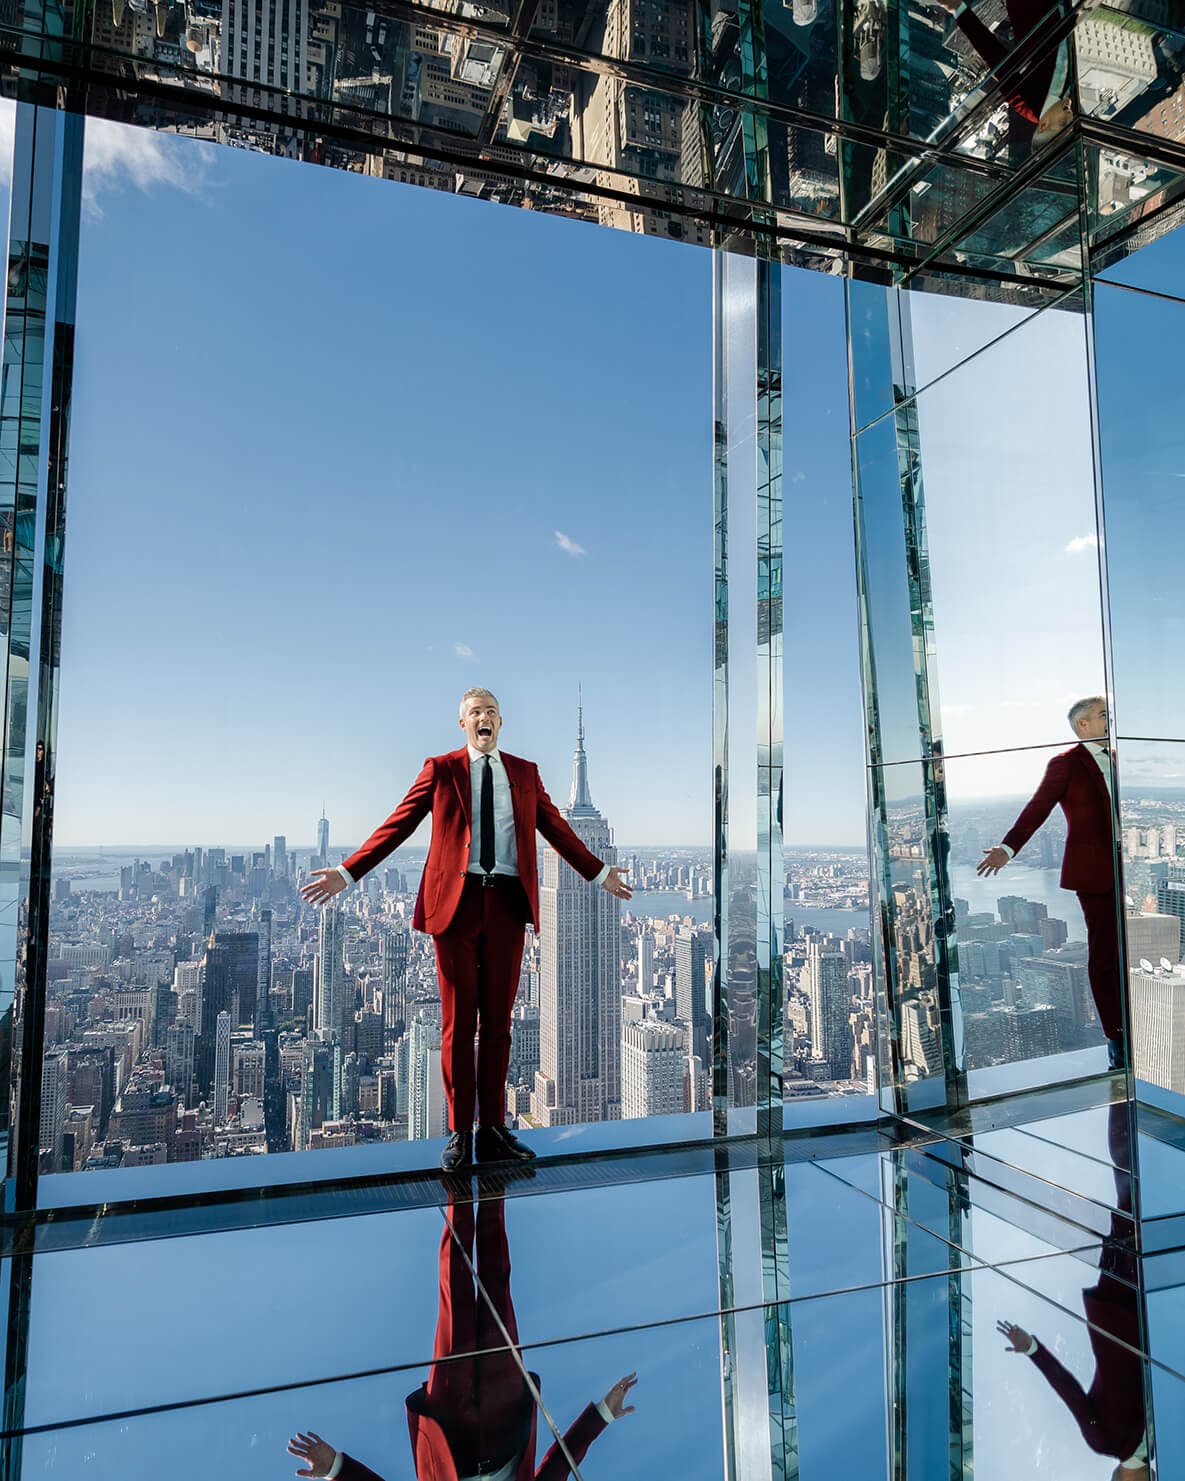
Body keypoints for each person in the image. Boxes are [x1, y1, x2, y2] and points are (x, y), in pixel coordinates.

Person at [299, 688, 632, 1170]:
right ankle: (459, 1132)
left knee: (498, 1024)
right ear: (463, 723)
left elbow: (556, 828)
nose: (484, 717)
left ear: (501, 722)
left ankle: (492, 1129)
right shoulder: (441, 769)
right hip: (455, 906)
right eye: (476, 712)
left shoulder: (525, 773)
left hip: (506, 905)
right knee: (458, 1024)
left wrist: (599, 873)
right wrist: (347, 872)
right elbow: (398, 825)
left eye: (491, 711)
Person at [286, 1188, 638, 1481]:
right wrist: (601, 1416)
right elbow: (558, 1466)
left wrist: (336, 1469)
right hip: (505, 1426)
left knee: (455, 1297)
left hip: (448, 1425)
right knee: (497, 1292)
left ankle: (458, 1180)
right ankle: (493, 1179)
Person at [997, 1106, 1149, 1479]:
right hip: (1153, 1312)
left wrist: (1032, 1349)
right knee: (1148, 1198)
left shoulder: (1106, 1442)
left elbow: (1068, 1390)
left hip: (1121, 1310)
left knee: (1131, 1199)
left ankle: (1125, 1095)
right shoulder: (1163, 1438)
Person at [977, 696, 1125, 1069]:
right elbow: (1038, 807)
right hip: (1095, 871)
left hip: (1129, 867)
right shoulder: (1066, 764)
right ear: (1083, 725)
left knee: (1126, 951)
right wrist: (1008, 848)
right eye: (1103, 715)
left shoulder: (1120, 758)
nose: (1110, 720)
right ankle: (1117, 1039)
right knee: (1104, 954)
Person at [935, 0, 1073, 156]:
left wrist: (958, 9)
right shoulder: (1069, 97)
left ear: (1044, 125)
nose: (1070, 116)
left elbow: (993, 55)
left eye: (1063, 123)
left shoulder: (1028, 104)